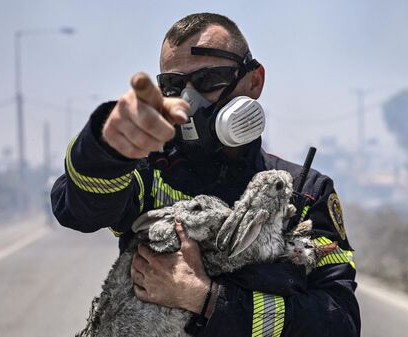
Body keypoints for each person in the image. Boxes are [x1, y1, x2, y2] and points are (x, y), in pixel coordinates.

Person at [51, 12, 360, 336]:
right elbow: (78, 212)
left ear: (254, 81)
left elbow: (339, 324)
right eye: (173, 85)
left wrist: (206, 299)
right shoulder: (147, 171)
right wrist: (107, 149)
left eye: (209, 80)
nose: (188, 101)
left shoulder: (302, 193)